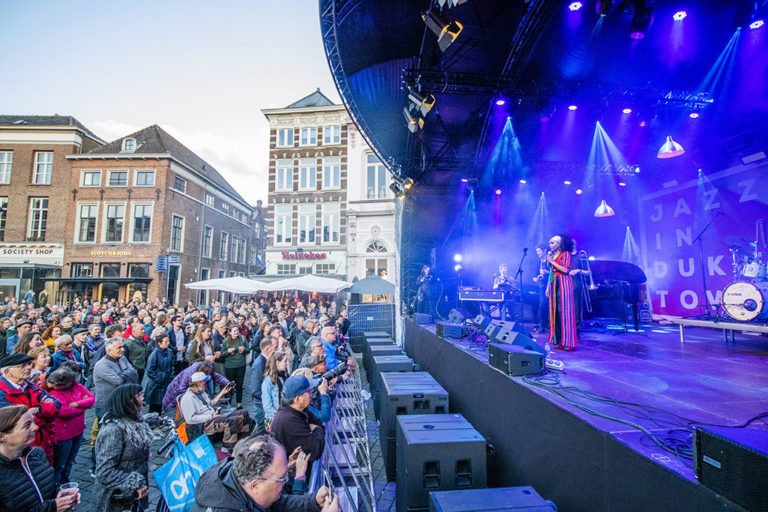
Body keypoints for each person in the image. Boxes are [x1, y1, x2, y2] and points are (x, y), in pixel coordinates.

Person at [189, 434, 337, 512]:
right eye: (281, 479)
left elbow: (279, 504)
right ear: (255, 485)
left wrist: (313, 501)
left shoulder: (241, 486)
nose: (286, 481)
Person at [0, 405, 81, 511]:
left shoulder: (37, 454)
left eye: (33, 422)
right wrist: (51, 507)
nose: (36, 427)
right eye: (27, 425)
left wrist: (59, 493)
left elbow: (43, 487)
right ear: (2, 436)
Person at [92, 383, 152, 512]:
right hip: (116, 500)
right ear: (126, 402)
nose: (142, 399)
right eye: (138, 396)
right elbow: (104, 472)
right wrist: (135, 482)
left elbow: (142, 424)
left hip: (133, 495)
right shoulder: (113, 431)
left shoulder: (134, 421)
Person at [0, 353, 60, 464]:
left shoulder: (31, 386)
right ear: (8, 372)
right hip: (20, 449)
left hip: (44, 441)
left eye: (28, 364)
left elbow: (56, 405)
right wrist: (43, 411)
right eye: (22, 366)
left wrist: (37, 410)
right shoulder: (2, 393)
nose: (28, 367)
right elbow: (14, 422)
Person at [179, 372, 249, 451]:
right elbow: (190, 419)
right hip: (204, 423)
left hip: (213, 415)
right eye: (205, 382)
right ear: (199, 383)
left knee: (243, 413)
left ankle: (244, 440)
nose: (207, 384)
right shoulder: (187, 398)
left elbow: (211, 403)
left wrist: (223, 392)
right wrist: (211, 416)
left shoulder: (201, 391)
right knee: (231, 421)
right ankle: (227, 447)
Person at [47, 367, 94, 485]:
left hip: (78, 431)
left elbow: (92, 398)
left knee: (70, 461)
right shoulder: (54, 393)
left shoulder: (77, 386)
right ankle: (57, 485)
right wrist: (84, 407)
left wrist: (77, 404)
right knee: (60, 463)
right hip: (63, 434)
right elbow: (64, 412)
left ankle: (65, 482)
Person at [269, 375, 325, 465]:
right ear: (298, 399)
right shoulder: (289, 420)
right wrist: (316, 429)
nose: (312, 393)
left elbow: (319, 423)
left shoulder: (298, 409)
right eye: (308, 392)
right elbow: (315, 449)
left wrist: (316, 430)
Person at [547, 234, 578, 351]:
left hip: (563, 282)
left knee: (565, 311)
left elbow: (566, 269)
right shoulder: (552, 255)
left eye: (552, 243)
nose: (550, 245)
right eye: (550, 243)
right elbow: (551, 273)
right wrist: (548, 287)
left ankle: (569, 342)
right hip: (554, 282)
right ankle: (559, 340)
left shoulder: (566, 254)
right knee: (555, 313)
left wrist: (552, 262)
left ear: (559, 244)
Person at [162, 360, 230, 412]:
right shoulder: (189, 374)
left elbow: (217, 377)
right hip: (178, 392)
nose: (208, 377)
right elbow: (181, 388)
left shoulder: (205, 370)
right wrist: (196, 394)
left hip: (192, 392)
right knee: (183, 412)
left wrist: (227, 383)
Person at [250, 336, 278, 434]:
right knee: (263, 435)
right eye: (275, 347)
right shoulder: (259, 364)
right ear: (267, 349)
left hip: (266, 406)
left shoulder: (268, 361)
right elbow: (254, 390)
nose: (277, 350)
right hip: (262, 408)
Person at [144, 332, 175, 414]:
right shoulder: (154, 354)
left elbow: (172, 365)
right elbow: (150, 370)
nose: (168, 343)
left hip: (166, 381)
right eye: (166, 341)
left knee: (161, 403)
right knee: (154, 405)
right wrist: (158, 379)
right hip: (156, 383)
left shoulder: (169, 352)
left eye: (168, 341)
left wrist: (171, 376)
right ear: (159, 343)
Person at [221, 324, 249, 409]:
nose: (236, 332)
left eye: (237, 330)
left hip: (241, 364)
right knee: (230, 384)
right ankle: (228, 402)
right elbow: (222, 354)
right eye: (234, 331)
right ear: (230, 332)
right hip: (230, 365)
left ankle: (239, 403)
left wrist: (244, 350)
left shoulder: (242, 339)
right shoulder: (226, 341)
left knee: (239, 385)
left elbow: (248, 350)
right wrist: (228, 351)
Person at [261, 351, 288, 430]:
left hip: (284, 415)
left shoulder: (284, 376)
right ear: (277, 363)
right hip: (274, 419)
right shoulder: (268, 381)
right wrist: (279, 415)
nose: (286, 364)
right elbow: (267, 406)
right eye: (284, 361)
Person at [532, 244, 550, 333]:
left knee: (549, 307)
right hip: (542, 286)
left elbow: (556, 271)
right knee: (542, 306)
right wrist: (535, 278)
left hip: (550, 285)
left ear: (545, 250)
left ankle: (549, 326)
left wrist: (546, 272)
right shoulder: (540, 261)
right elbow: (536, 274)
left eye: (539, 251)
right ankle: (543, 326)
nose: (538, 253)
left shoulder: (549, 259)